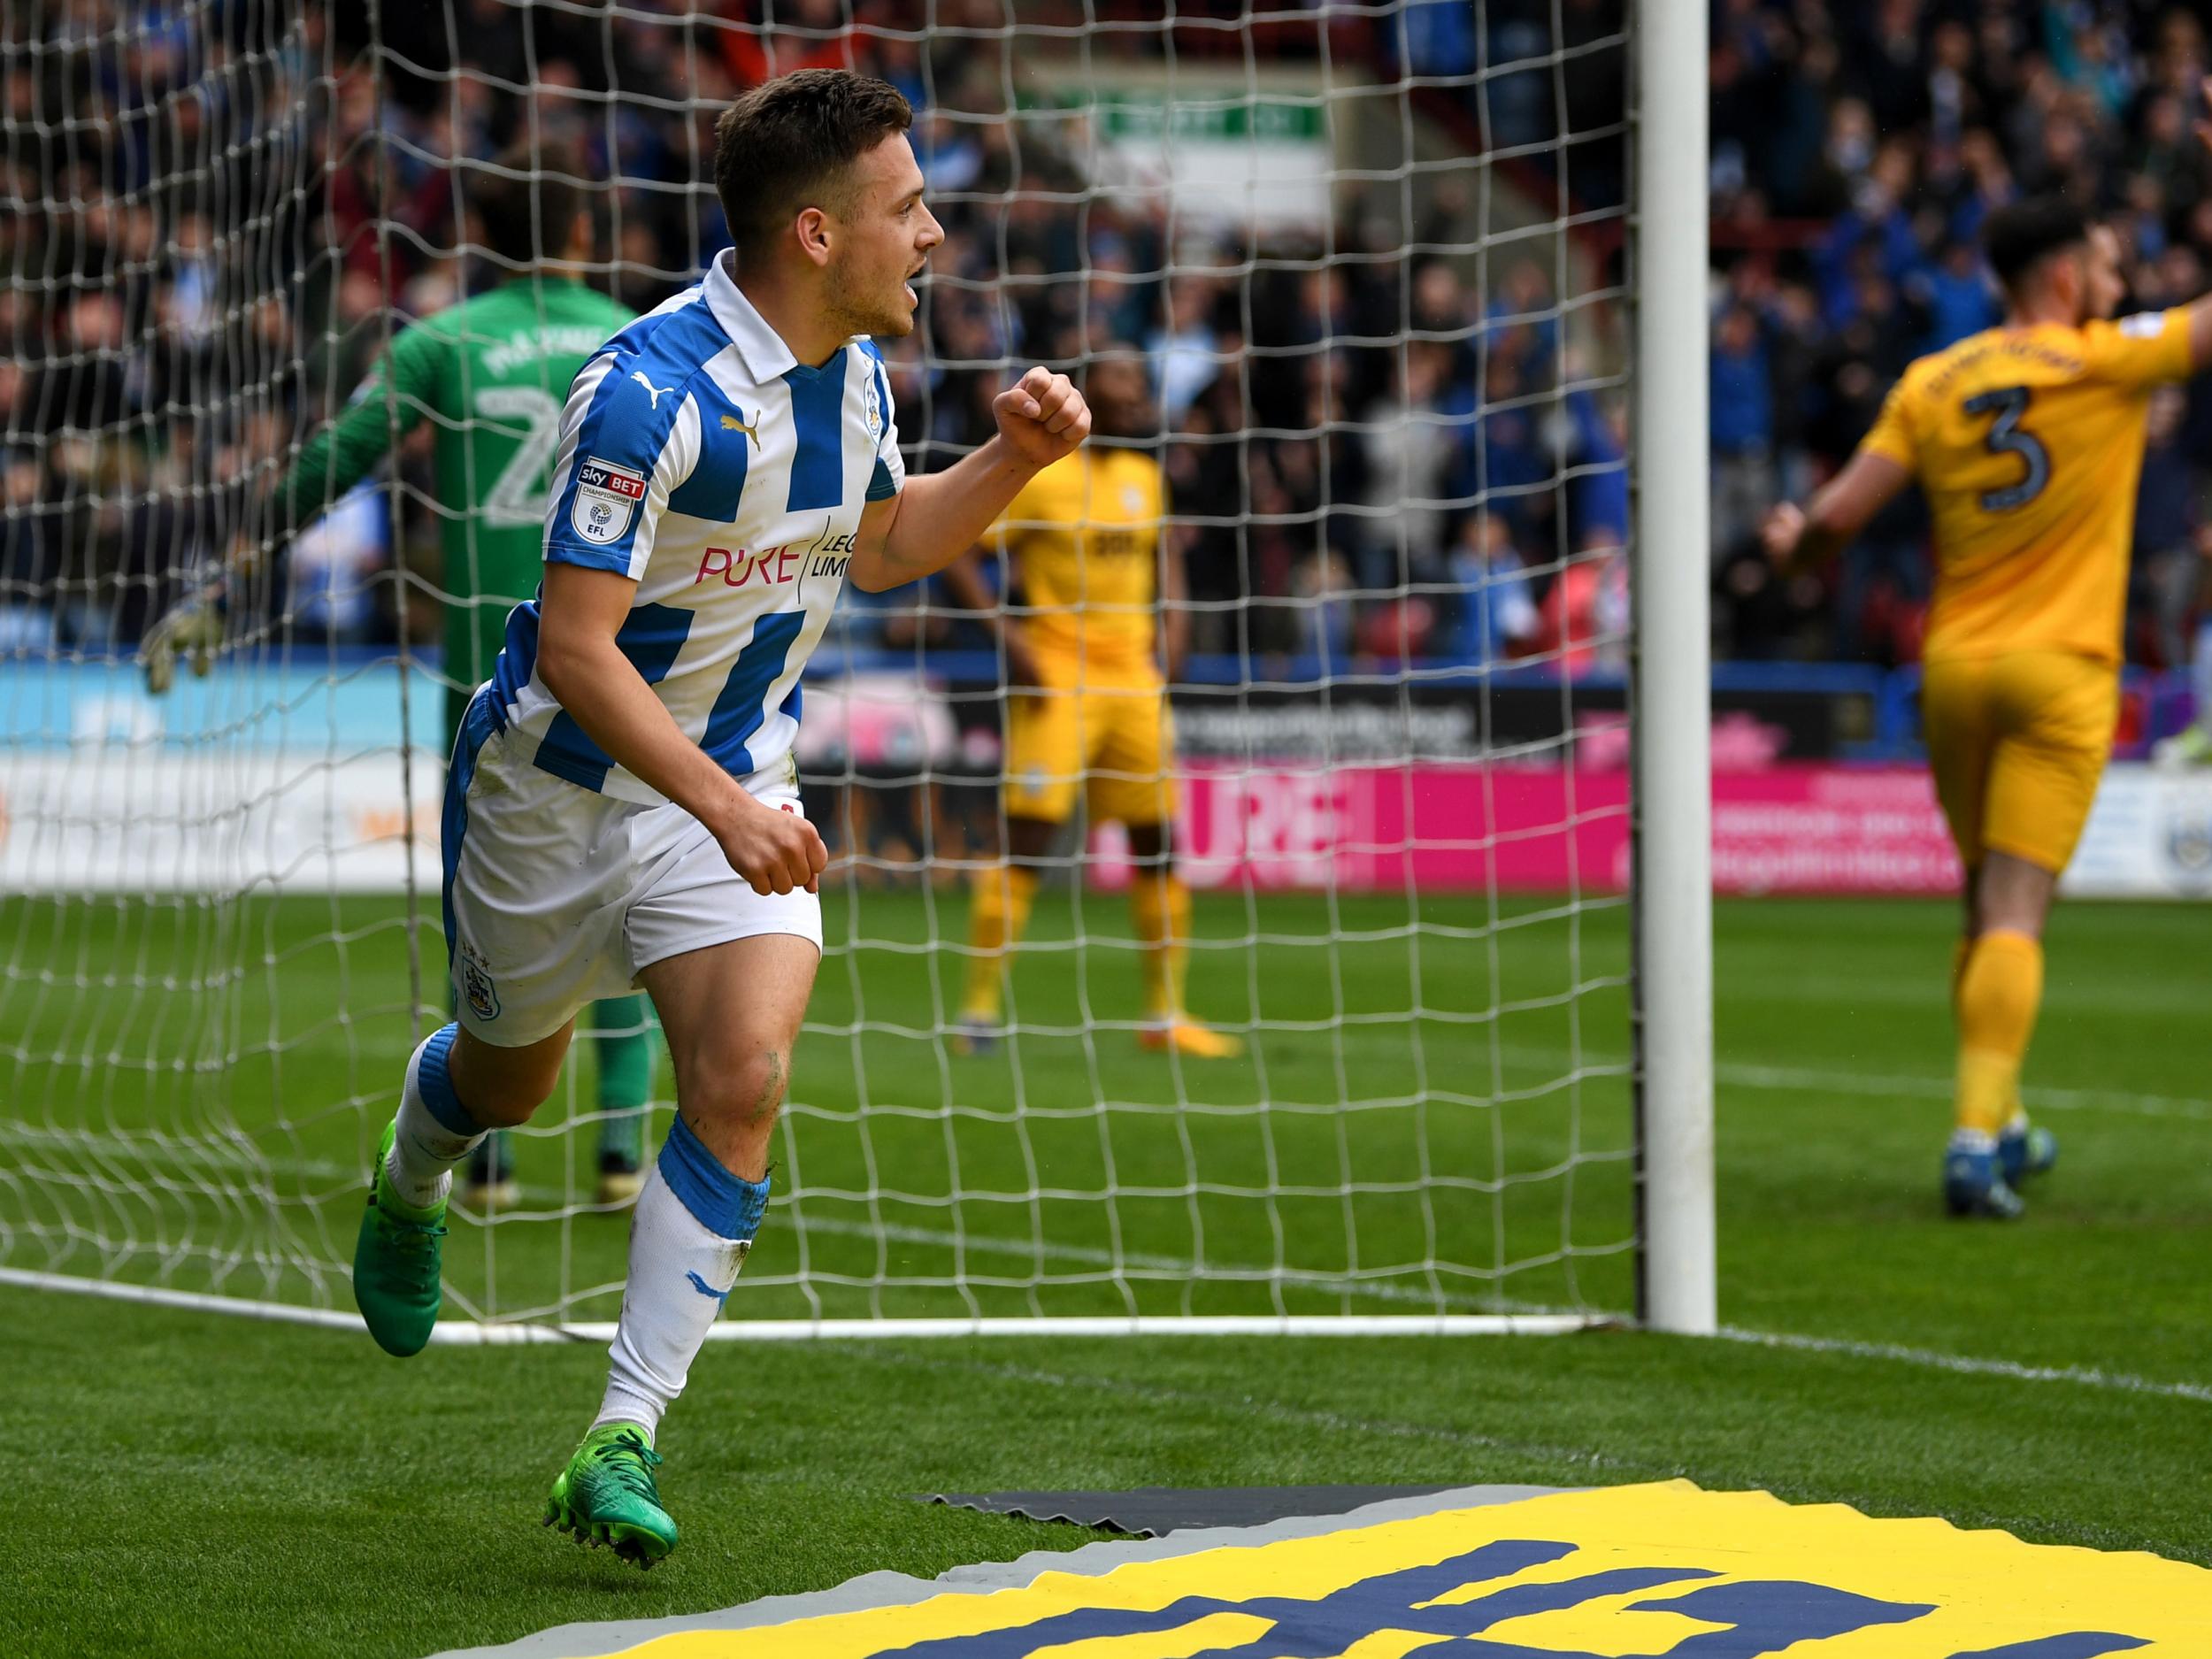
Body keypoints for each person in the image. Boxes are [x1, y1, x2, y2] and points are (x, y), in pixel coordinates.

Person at [345, 69, 1088, 1568]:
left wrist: (1012, 457)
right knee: (508, 1083)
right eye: (909, 209)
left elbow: (881, 547)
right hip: (554, 794)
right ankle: (413, 1178)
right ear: (816, 234)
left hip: (732, 779)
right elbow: (573, 646)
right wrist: (716, 804)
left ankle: (619, 1432)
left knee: (740, 1075)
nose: (935, 235)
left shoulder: (862, 378)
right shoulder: (643, 390)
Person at [1762, 193, 2212, 1218]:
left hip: (1956, 671)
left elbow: (1835, 521)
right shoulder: (2108, 356)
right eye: (2100, 269)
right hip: (2062, 674)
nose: (2114, 286)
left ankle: (2001, 1117)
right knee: (2016, 910)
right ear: (2061, 277)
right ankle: (1971, 1143)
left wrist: (1794, 546)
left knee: (1979, 899)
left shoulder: (1933, 377)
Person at [265, 141, 657, 1209]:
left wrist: (234, 540)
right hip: (623, 667)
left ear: (478, 237)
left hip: (486, 678)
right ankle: (622, 1154)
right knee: (629, 904)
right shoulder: (645, 345)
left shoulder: (440, 343)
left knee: (488, 914)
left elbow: (335, 459)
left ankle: (483, 1157)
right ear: (590, 232)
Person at [940, 349, 1240, 1059]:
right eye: (1121, 381)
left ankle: (1165, 1014)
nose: (1136, 394)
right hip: (1058, 676)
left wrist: (1177, 625)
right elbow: (956, 547)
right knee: (1030, 840)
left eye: (1141, 383)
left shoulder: (1144, 477)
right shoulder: (1042, 478)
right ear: (1086, 385)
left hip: (1134, 680)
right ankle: (978, 1012)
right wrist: (1009, 638)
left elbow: (1162, 558)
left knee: (1157, 843)